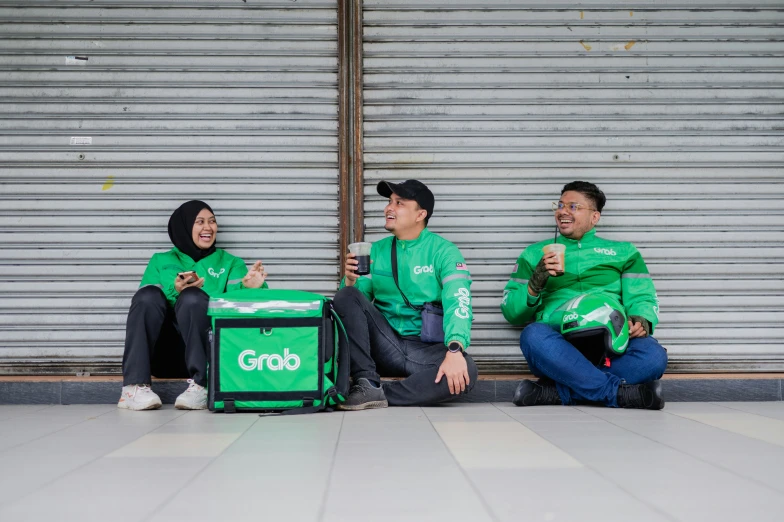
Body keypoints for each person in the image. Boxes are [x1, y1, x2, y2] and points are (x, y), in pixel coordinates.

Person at [501, 181, 668, 409]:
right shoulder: (533, 254)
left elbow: (643, 297)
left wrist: (641, 319)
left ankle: (556, 392)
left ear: (594, 217)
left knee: (653, 355)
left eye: (573, 206)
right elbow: (511, 313)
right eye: (559, 205)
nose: (562, 212)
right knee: (533, 336)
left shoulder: (624, 252)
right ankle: (617, 394)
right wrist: (534, 284)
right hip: (559, 346)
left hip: (611, 343)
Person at [332, 180, 478, 410]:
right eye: (389, 202)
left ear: (420, 214)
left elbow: (458, 302)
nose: (389, 208)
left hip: (424, 348)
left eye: (399, 203)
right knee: (346, 295)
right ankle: (367, 381)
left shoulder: (444, 252)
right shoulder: (376, 251)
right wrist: (350, 280)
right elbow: (355, 308)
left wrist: (455, 348)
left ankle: (379, 393)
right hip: (384, 343)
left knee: (466, 369)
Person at [118, 200, 268, 411]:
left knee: (193, 297)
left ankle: (202, 385)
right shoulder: (161, 261)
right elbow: (145, 307)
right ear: (184, 226)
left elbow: (240, 310)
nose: (208, 227)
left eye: (212, 221)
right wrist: (175, 292)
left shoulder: (230, 263)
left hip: (210, 356)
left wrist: (252, 288)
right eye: (200, 222)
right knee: (148, 294)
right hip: (167, 356)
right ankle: (133, 387)